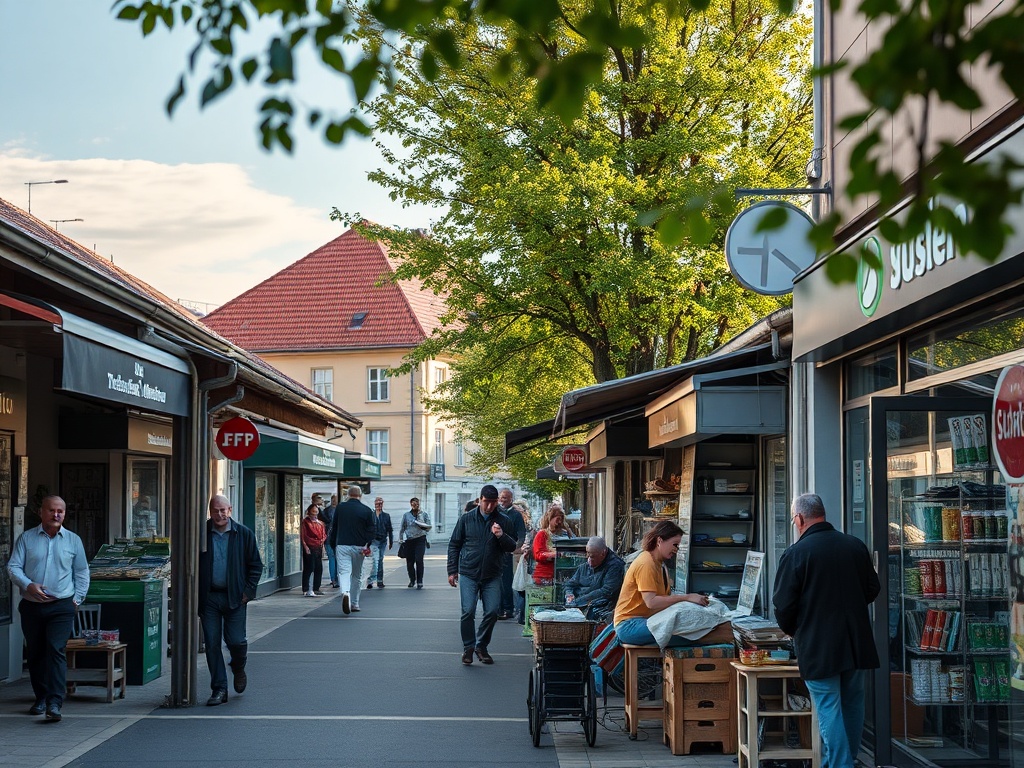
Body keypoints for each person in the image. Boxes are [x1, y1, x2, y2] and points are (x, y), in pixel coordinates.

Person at [773, 493, 880, 768]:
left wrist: (793, 629)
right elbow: (872, 589)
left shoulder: (796, 553)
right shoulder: (854, 545)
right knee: (853, 704)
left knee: (828, 705)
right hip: (856, 640)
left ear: (799, 518)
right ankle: (847, 760)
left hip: (818, 644)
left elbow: (783, 604)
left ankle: (840, 764)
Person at [6, 495, 89, 721]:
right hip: (32, 606)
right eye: (51, 510)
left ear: (64, 514)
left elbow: (81, 571)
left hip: (62, 605)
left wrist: (76, 600)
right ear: (42, 512)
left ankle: (54, 702)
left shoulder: (73, 540)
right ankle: (40, 698)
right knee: (36, 653)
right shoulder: (26, 539)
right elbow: (13, 567)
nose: (56, 515)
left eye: (60, 511)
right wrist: (28, 585)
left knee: (55, 649)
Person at [613, 519, 723, 647]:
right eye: (675, 544)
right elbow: (651, 602)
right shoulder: (646, 563)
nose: (676, 549)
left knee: (692, 627)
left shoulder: (660, 565)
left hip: (643, 621)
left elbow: (664, 599)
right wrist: (687, 597)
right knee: (688, 635)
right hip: (629, 625)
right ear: (660, 541)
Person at [198, 495, 263, 706]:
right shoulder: (201, 534)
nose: (219, 514)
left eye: (223, 510)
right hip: (209, 597)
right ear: (210, 511)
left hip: (235, 596)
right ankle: (219, 688)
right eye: (215, 511)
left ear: (230, 509)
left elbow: (256, 565)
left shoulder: (243, 534)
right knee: (212, 644)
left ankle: (238, 666)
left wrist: (247, 592)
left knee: (236, 641)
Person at [447, 484, 517, 665]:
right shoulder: (467, 519)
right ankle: (468, 648)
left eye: (493, 503)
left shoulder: (503, 520)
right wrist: (452, 570)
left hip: (492, 573)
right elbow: (455, 544)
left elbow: (512, 547)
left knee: (493, 611)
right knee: (468, 611)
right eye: (486, 502)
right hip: (469, 572)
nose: (489, 507)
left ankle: (481, 645)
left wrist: (501, 536)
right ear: (480, 500)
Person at [328, 485, 375, 614]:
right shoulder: (367, 510)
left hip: (342, 544)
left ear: (347, 495)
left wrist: (333, 544)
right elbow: (371, 531)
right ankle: (355, 603)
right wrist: (367, 545)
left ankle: (345, 592)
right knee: (357, 574)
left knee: (344, 572)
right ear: (360, 495)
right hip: (359, 546)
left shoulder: (340, 508)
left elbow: (334, 527)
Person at [562, 536, 625, 622]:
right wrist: (569, 595)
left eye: (592, 556)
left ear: (603, 553)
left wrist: (578, 602)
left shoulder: (615, 566)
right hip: (577, 605)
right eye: (587, 553)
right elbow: (569, 584)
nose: (588, 559)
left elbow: (607, 591)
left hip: (598, 608)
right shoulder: (587, 563)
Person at [497, 487, 526, 619]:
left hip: (508, 552)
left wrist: (517, 548)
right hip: (495, 552)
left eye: (506, 498)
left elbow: (521, 533)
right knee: (494, 581)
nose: (503, 500)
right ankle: (497, 609)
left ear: (511, 499)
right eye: (501, 497)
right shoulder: (495, 512)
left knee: (506, 581)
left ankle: (508, 609)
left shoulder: (516, 515)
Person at [531, 504, 572, 585]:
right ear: (550, 518)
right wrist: (554, 554)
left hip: (563, 575)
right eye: (557, 519)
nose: (559, 522)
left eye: (561, 519)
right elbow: (538, 555)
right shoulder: (542, 534)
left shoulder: (566, 533)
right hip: (544, 576)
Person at [400, 497, 432, 589]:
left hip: (420, 539)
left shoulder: (424, 514)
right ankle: (412, 579)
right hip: (409, 540)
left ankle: (420, 581)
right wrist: (401, 539)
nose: (415, 505)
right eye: (413, 504)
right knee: (410, 562)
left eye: (417, 504)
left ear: (419, 504)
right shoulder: (406, 515)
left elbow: (429, 526)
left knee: (419, 560)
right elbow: (402, 527)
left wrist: (422, 524)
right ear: (411, 504)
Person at [511, 499, 534, 624]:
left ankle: (519, 612)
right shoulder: (525, 522)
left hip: (521, 555)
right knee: (519, 585)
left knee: (520, 585)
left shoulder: (527, 523)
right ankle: (519, 611)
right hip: (518, 554)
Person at [364, 496, 393, 589]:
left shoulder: (386, 516)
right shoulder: (371, 515)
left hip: (383, 540)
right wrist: (367, 542)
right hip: (373, 541)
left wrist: (391, 541)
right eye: (377, 504)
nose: (379, 506)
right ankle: (371, 579)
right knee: (375, 561)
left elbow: (390, 529)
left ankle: (380, 580)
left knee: (380, 560)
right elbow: (367, 529)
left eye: (380, 504)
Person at [300, 502, 327, 596]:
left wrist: (322, 546)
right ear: (309, 512)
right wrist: (306, 546)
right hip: (310, 546)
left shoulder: (320, 523)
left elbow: (324, 535)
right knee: (309, 567)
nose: (315, 513)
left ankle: (316, 588)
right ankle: (306, 588)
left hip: (318, 546)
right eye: (313, 511)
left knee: (318, 568)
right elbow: (304, 536)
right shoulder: (305, 522)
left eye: (316, 511)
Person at [318, 494, 338, 587]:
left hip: (329, 538)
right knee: (334, 558)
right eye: (333, 499)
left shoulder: (326, 511)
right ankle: (335, 579)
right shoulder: (339, 510)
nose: (334, 501)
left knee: (332, 558)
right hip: (334, 539)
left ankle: (334, 579)